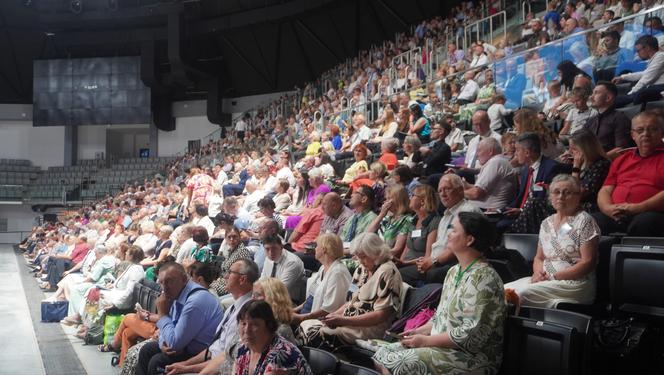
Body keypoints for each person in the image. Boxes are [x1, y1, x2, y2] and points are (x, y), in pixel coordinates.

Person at [373, 212, 506, 375]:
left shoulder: (484, 278)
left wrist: (426, 341)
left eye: (454, 230)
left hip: (471, 357)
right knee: (381, 355)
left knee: (397, 363)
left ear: (469, 240)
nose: (449, 234)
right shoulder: (453, 271)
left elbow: (472, 334)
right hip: (443, 346)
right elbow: (441, 315)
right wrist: (420, 331)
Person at [505, 175, 600, 308]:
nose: (561, 196)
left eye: (567, 193)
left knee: (519, 294)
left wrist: (555, 276)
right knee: (501, 290)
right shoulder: (546, 223)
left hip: (574, 284)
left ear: (578, 197)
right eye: (556, 192)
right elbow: (539, 257)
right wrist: (538, 274)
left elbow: (588, 262)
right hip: (545, 280)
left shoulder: (584, 221)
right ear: (550, 196)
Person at [298, 233, 402, 352]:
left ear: (377, 253)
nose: (360, 261)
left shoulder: (388, 272)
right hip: (349, 320)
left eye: (363, 257)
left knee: (317, 333)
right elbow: (350, 301)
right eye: (358, 257)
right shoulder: (361, 269)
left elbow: (381, 315)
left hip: (371, 327)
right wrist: (333, 315)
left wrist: (343, 320)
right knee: (307, 325)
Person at [164, 259, 258, 375]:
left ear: (242, 279)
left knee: (159, 363)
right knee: (154, 357)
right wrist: (184, 364)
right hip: (209, 359)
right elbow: (213, 349)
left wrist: (186, 368)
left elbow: (225, 358)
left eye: (230, 272)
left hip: (221, 369)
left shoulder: (248, 314)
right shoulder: (233, 307)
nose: (225, 276)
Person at [135, 262, 223, 375]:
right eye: (161, 282)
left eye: (169, 281)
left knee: (157, 362)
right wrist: (162, 343)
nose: (165, 287)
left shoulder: (195, 301)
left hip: (202, 353)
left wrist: (162, 313)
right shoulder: (177, 294)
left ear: (184, 279)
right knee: (146, 350)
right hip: (184, 345)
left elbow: (174, 344)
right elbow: (169, 328)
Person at [593, 111, 664, 236]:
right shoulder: (621, 159)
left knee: (645, 222)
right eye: (640, 130)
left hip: (651, 213)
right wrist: (608, 208)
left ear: (662, 133)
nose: (646, 134)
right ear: (633, 135)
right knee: (588, 221)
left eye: (652, 129)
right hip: (617, 214)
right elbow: (605, 190)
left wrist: (639, 208)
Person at [501, 132, 565, 232]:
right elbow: (520, 197)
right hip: (521, 213)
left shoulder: (551, 168)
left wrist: (522, 210)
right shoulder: (525, 170)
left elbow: (549, 201)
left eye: (517, 150)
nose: (515, 154)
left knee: (503, 228)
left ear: (527, 153)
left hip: (539, 216)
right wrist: (500, 210)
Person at [234, 300, 313, 375]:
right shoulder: (243, 348)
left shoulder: (281, 355)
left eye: (255, 324)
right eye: (243, 323)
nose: (247, 330)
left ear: (269, 326)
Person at [292, 233, 352, 325]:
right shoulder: (323, 268)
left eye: (317, 246)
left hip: (320, 322)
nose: (315, 249)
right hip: (307, 314)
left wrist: (302, 318)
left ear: (324, 249)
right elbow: (311, 297)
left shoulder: (338, 273)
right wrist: (294, 310)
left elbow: (329, 309)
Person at [397, 184, 441, 284]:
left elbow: (427, 256)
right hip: (406, 264)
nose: (410, 198)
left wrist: (404, 263)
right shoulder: (413, 220)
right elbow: (407, 248)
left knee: (396, 274)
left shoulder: (434, 222)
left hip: (420, 266)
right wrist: (399, 262)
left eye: (413, 195)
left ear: (422, 201)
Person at [463, 137, 517, 211]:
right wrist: (465, 185)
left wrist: (458, 192)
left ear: (490, 151)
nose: (476, 155)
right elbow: (485, 188)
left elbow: (476, 194)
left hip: (487, 213)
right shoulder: (499, 161)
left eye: (479, 150)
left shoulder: (495, 162)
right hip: (481, 210)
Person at [583, 81, 633, 157]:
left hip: (608, 163)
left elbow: (622, 149)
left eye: (596, 93)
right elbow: (582, 143)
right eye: (592, 93)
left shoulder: (620, 119)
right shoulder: (590, 121)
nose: (591, 97)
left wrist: (598, 159)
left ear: (608, 98)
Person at [566, 130, 611, 213]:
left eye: (574, 149)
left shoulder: (601, 165)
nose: (569, 152)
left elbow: (577, 195)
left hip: (589, 208)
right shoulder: (583, 163)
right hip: (575, 206)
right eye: (569, 148)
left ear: (585, 149)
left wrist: (576, 167)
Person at [613, 35, 664, 106]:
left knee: (639, 94)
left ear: (647, 48)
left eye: (638, 51)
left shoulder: (661, 56)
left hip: (660, 88)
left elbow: (646, 79)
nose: (637, 54)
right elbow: (644, 73)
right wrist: (622, 77)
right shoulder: (656, 58)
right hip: (655, 88)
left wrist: (629, 95)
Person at [367, 184, 414, 258]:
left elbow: (397, 249)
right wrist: (381, 214)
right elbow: (368, 233)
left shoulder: (407, 220)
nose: (385, 202)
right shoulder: (387, 218)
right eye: (386, 199)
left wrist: (373, 256)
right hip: (373, 255)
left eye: (388, 199)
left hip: (386, 258)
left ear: (398, 201)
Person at [260, 234, 306, 303]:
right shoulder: (268, 258)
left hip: (288, 300)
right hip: (270, 295)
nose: (271, 253)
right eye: (267, 249)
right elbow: (262, 279)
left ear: (281, 247)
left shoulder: (292, 262)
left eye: (274, 248)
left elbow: (280, 290)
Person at [208, 226, 252, 296]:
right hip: (223, 282)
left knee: (209, 291)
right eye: (229, 237)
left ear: (239, 237)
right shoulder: (230, 251)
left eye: (234, 237)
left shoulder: (243, 251)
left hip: (234, 286)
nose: (232, 239)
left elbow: (243, 276)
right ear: (225, 238)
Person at [253, 278, 298, 343]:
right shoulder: (253, 322)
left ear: (273, 299)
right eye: (253, 294)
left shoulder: (281, 330)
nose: (252, 298)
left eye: (257, 295)